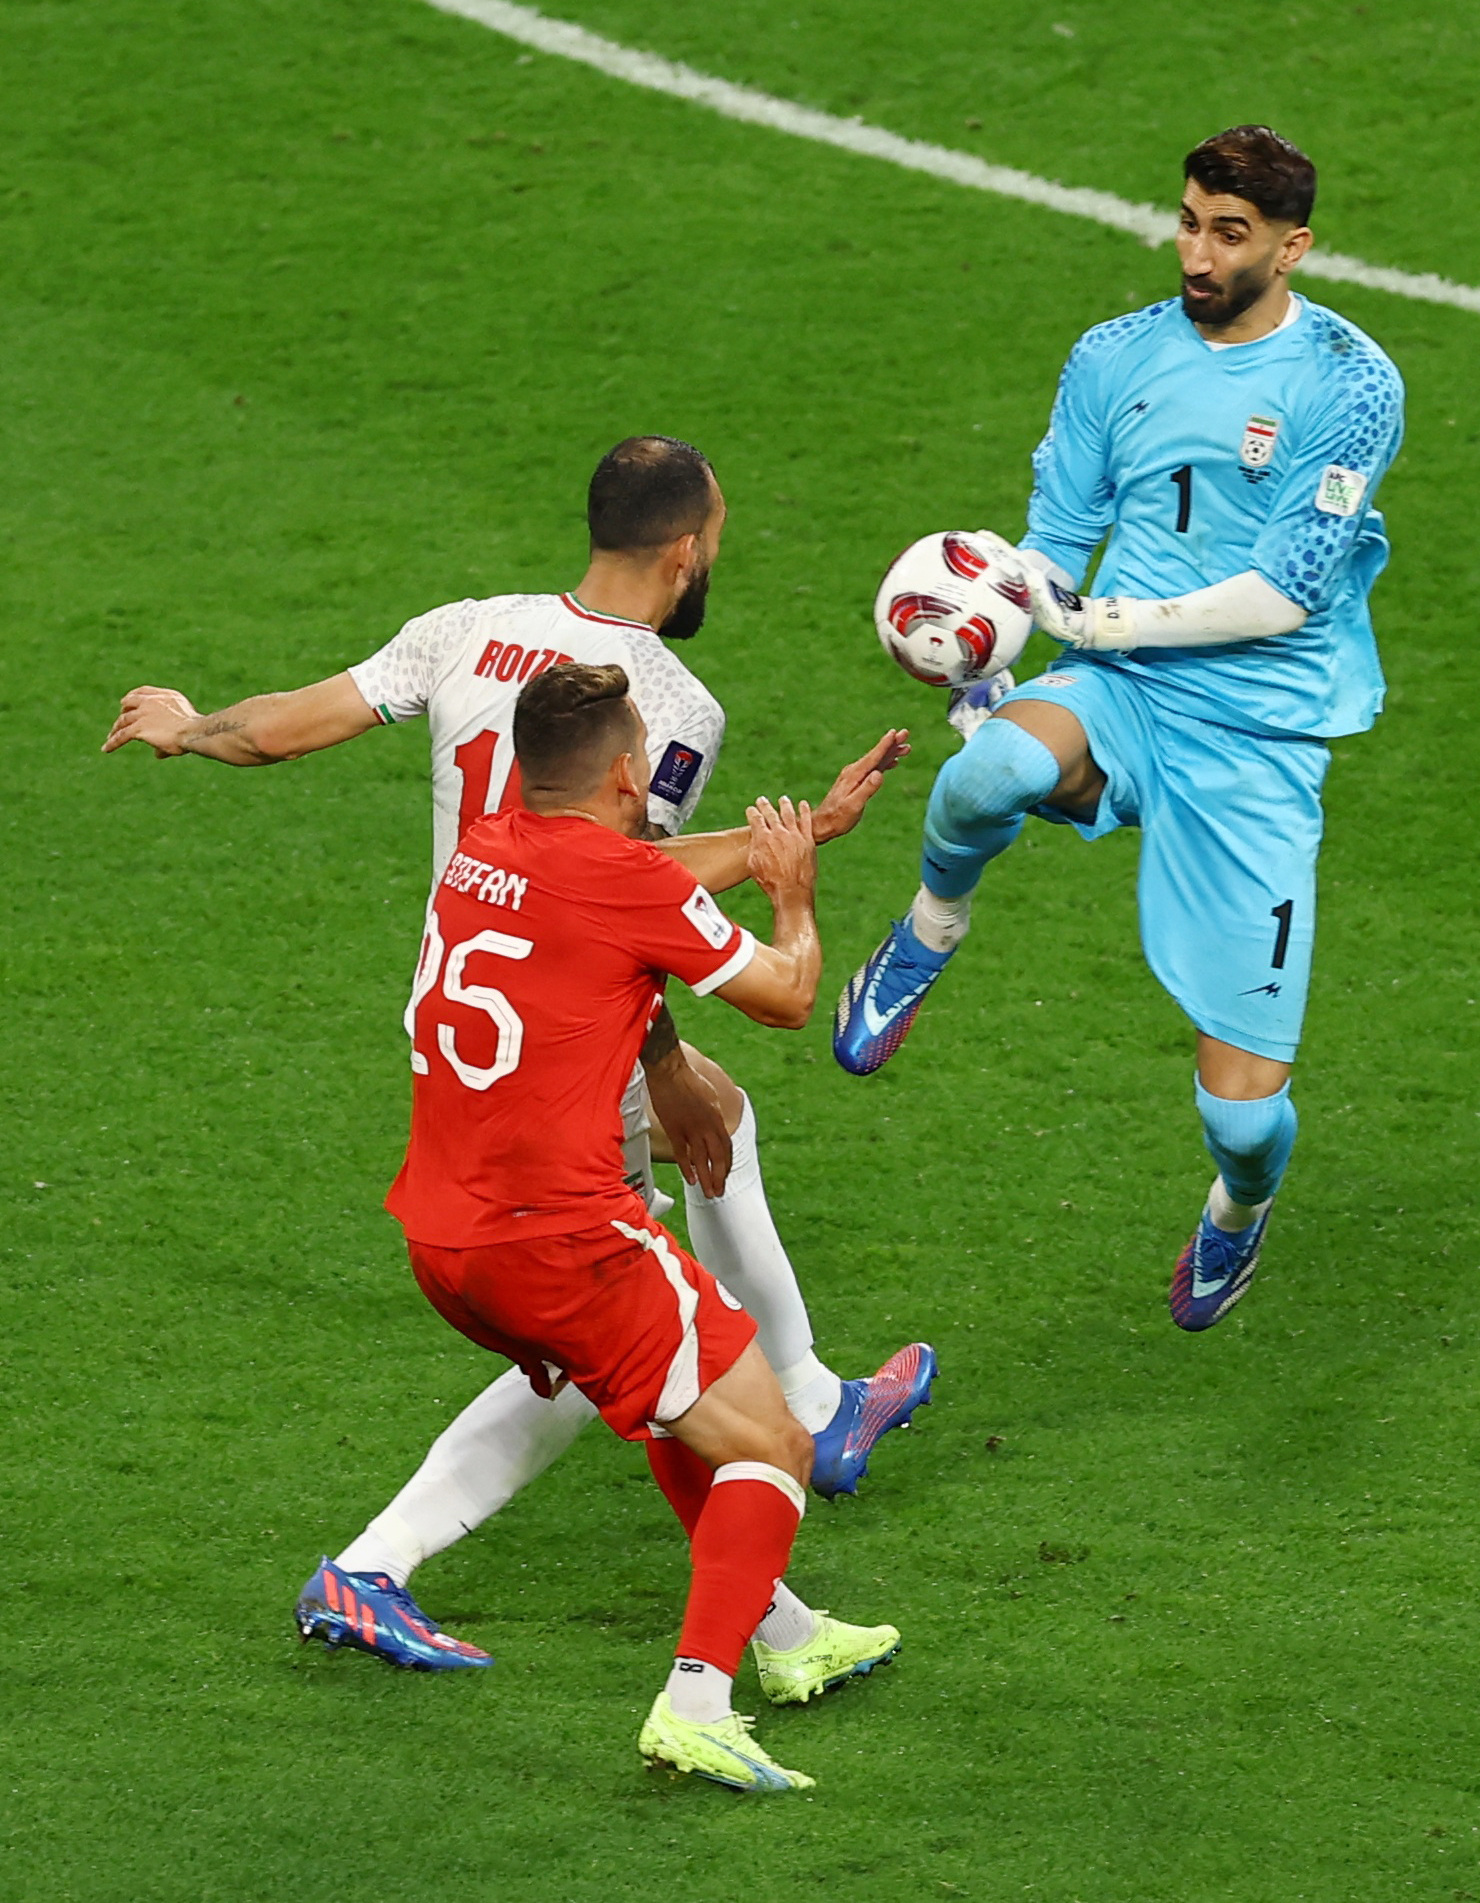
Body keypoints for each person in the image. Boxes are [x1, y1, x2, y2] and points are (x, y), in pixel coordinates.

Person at [103, 437, 935, 1672]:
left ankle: (800, 1441)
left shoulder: (464, 627)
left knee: (628, 1287)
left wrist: (187, 729)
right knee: (598, 1326)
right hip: (564, 1044)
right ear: (689, 550)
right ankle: (391, 1559)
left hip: (457, 1016)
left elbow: (286, 731)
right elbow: (619, 890)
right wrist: (663, 1061)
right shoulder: (669, 703)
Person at [832, 126, 1406, 1334]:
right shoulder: (1111, 356)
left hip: (1257, 736)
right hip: (1127, 691)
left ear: (1292, 247)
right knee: (986, 774)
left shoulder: (1351, 384)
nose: (1197, 250)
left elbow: (1289, 585)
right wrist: (993, 633)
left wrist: (1107, 623)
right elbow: (1052, 538)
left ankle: (1237, 1220)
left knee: (1242, 1121)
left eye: (1230, 233)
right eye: (1190, 220)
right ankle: (927, 932)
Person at [394, 661, 896, 1790]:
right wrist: (795, 890)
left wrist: (799, 824)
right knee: (776, 1445)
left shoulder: (483, 848)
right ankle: (695, 1701)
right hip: (562, 1240)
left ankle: (787, 1635)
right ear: (628, 772)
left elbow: (637, 877)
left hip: (446, 1241)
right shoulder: (620, 881)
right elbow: (786, 992)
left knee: (685, 1404)